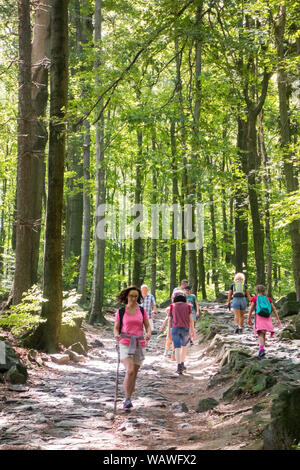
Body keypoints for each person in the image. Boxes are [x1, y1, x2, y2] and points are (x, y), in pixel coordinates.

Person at [114, 286, 151, 411]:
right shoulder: (121, 311)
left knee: (134, 373)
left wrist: (148, 333)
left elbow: (147, 326)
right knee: (129, 371)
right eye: (131, 296)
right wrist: (116, 334)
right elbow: (116, 327)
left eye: (136, 296)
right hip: (125, 342)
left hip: (139, 343)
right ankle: (126, 399)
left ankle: (128, 398)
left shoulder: (142, 310)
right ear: (126, 296)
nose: (133, 298)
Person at [247, 285, 281, 358]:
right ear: (264, 291)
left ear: (256, 291)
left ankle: (261, 349)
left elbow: (251, 309)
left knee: (260, 334)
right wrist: (277, 319)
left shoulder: (255, 299)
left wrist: (248, 318)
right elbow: (274, 309)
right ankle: (262, 349)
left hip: (259, 318)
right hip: (267, 318)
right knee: (263, 334)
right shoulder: (268, 299)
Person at [168, 290, 195, 375]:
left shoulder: (172, 306)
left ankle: (179, 366)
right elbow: (191, 320)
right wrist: (192, 331)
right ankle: (182, 363)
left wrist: (169, 331)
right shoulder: (188, 306)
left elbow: (170, 320)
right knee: (184, 347)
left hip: (175, 329)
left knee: (177, 348)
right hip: (185, 329)